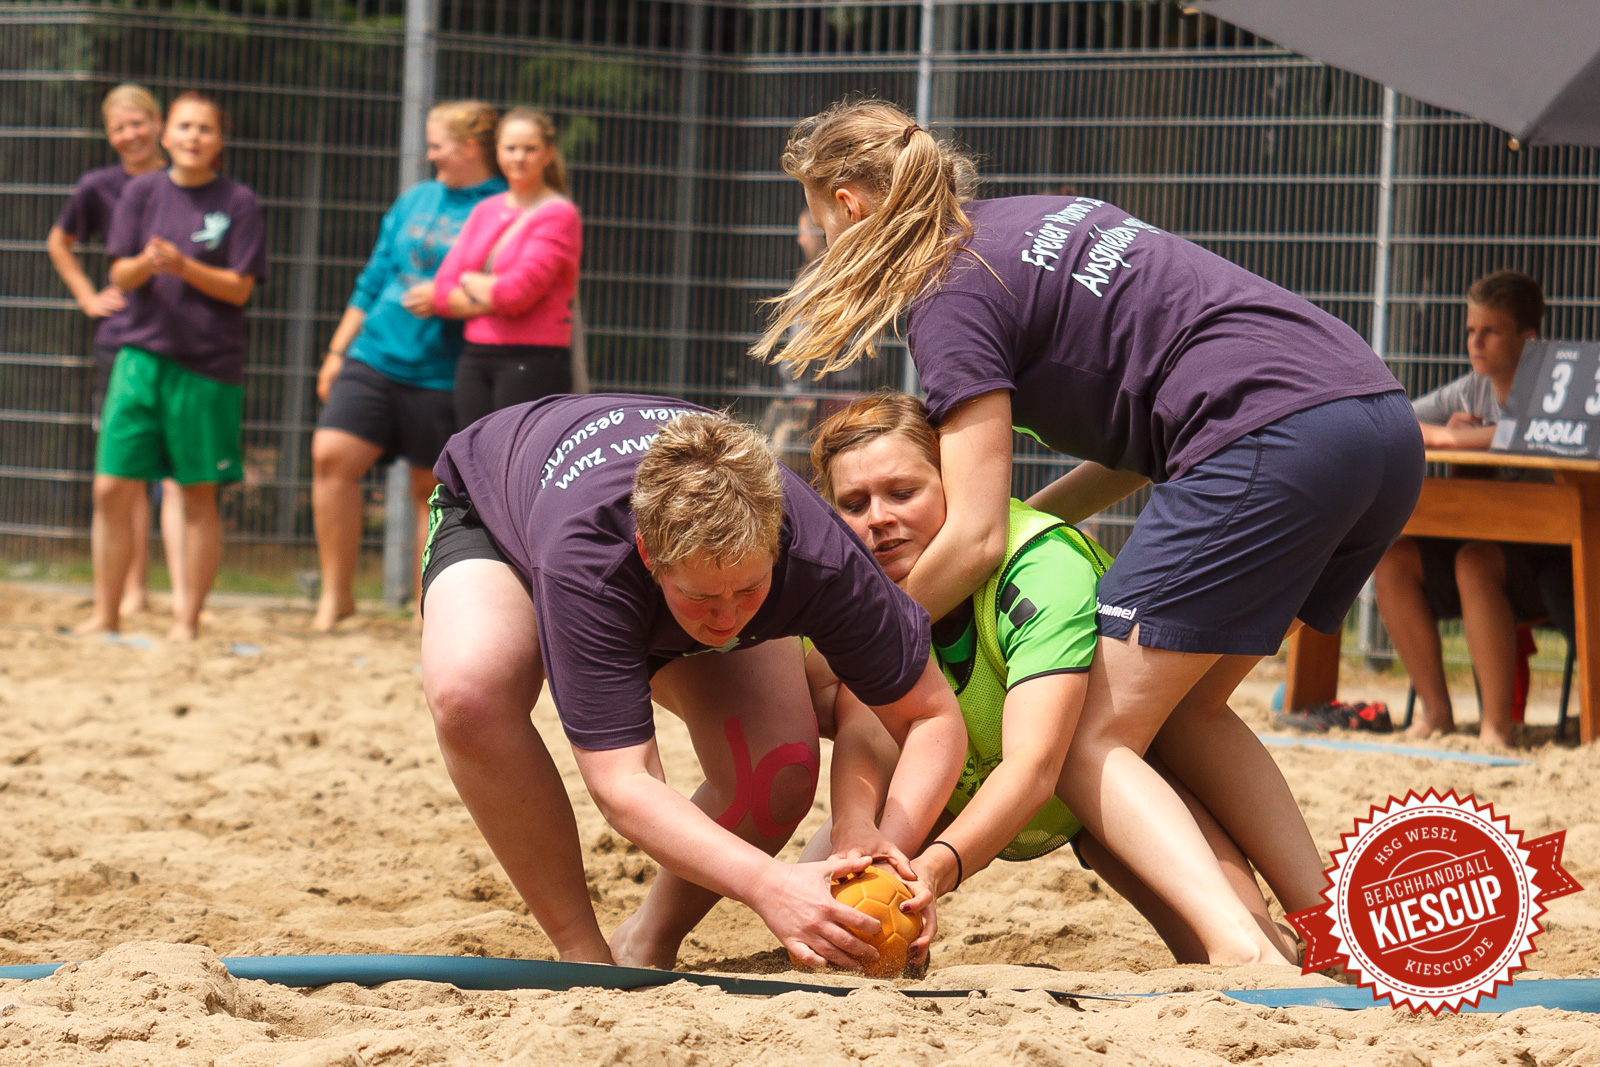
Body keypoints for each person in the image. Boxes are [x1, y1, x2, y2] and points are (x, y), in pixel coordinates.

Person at [752, 98, 1424, 966]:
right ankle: (1341, 934)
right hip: (1371, 420)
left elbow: (977, 539)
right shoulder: (1025, 221)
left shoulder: (945, 291)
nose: (823, 249)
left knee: (1087, 740)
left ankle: (1243, 953)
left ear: (848, 202)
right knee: (1182, 714)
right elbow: (1141, 440)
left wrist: (854, 643)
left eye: (817, 224)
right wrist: (1038, 523)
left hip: (1270, 434)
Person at [420, 394, 967, 971]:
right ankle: (584, 957)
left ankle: (647, 940)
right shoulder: (591, 559)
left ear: (777, 546)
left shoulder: (821, 554)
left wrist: (887, 850)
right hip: (499, 507)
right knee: (470, 694)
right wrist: (769, 885)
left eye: (749, 591)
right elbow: (624, 784)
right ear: (648, 555)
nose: (728, 619)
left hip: (675, 563)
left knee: (779, 774)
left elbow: (931, 716)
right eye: (704, 597)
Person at [804, 392, 1298, 963]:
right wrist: (860, 834)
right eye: (854, 503)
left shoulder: (1039, 565)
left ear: (956, 484)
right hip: (956, 788)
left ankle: (1301, 932)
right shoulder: (855, 584)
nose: (879, 518)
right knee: (831, 884)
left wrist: (934, 870)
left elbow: (1035, 766)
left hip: (1101, 794)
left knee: (1250, 950)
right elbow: (864, 727)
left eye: (903, 492)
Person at [77, 90, 267, 641]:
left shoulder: (238, 202)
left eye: (204, 129)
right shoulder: (140, 191)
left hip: (207, 364)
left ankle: (187, 621)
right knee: (112, 487)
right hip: (139, 358)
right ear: (167, 135)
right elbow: (119, 277)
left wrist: (185, 268)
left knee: (196, 491)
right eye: (184, 127)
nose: (192, 137)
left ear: (219, 141)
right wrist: (146, 262)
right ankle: (106, 613)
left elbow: (239, 289)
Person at [310, 100, 506, 630]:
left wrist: (447, 299)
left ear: (468, 147)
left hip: (444, 368)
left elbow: (508, 288)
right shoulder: (416, 198)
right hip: (375, 353)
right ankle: (336, 596)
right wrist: (336, 351)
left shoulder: (503, 207)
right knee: (331, 456)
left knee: (431, 490)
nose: (429, 153)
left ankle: (429, 610)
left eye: (437, 142)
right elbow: (373, 278)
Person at [1373, 271, 1566, 746]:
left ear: (1529, 338)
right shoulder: (1470, 389)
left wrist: (1455, 438)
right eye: (1470, 330)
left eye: (1490, 331)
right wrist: (1448, 433)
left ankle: (1496, 729)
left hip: (1553, 565)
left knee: (1474, 561)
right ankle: (1436, 717)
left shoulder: (1556, 389)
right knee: (1392, 559)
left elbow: (1543, 434)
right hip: (1485, 553)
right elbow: (1396, 420)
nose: (1475, 343)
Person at [48, 83, 186, 619]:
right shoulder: (98, 186)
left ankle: (181, 597)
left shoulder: (187, 183)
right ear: (109, 135)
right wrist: (88, 296)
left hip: (184, 343)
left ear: (158, 124)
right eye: (118, 127)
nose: (130, 135)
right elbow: (59, 241)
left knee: (179, 475)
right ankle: (133, 591)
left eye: (138, 123)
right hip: (122, 342)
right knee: (122, 473)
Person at [429, 108, 581, 428]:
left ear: (548, 154)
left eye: (530, 149)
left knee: (513, 466)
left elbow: (516, 294)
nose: (519, 157)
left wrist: (469, 281)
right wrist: (491, 293)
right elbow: (441, 291)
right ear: (497, 151)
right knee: (471, 462)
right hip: (475, 357)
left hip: (532, 359)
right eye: (511, 148)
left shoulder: (559, 213)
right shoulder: (485, 210)